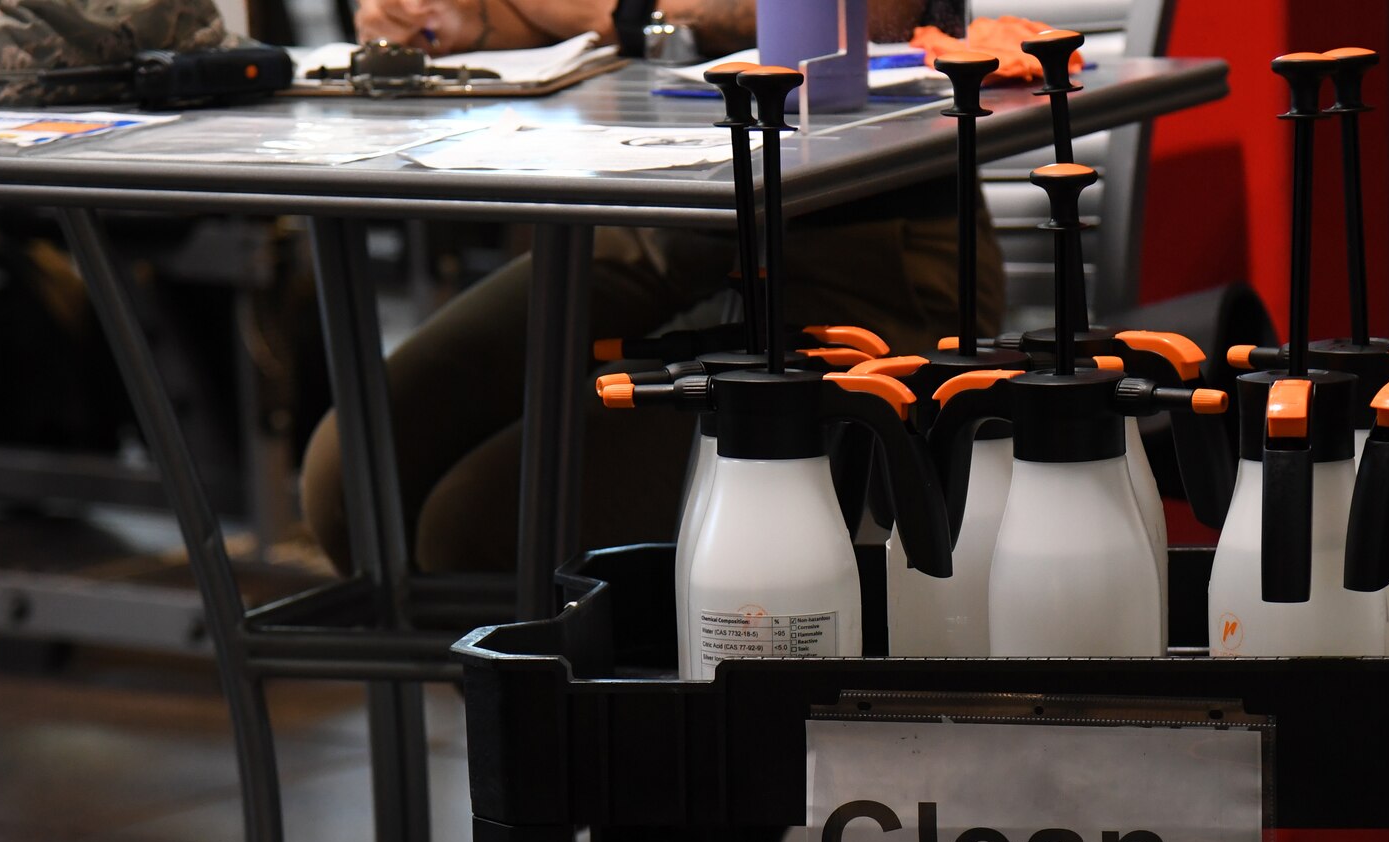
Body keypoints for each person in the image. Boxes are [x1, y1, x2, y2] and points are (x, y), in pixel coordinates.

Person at [299, 0, 1005, 575]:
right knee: (352, 480)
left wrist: (631, 12)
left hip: (867, 239)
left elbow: (883, 15)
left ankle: (647, 722)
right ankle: (582, 712)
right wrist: (461, 20)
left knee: (479, 532)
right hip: (658, 206)